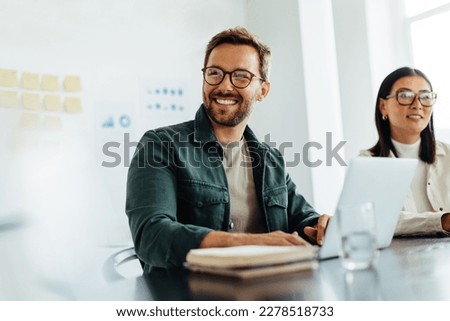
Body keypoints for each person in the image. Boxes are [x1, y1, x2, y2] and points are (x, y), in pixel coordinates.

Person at [125, 27, 330, 270]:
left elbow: (301, 218)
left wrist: (321, 227)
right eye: (215, 73)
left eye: (241, 76)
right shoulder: (160, 145)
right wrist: (248, 243)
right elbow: (152, 235)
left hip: (270, 292)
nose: (225, 86)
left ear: (262, 91)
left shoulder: (270, 159)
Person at [361, 67, 450, 235]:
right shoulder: (367, 163)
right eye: (405, 96)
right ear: (383, 106)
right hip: (399, 258)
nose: (417, 105)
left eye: (425, 97)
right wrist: (442, 221)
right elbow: (378, 220)